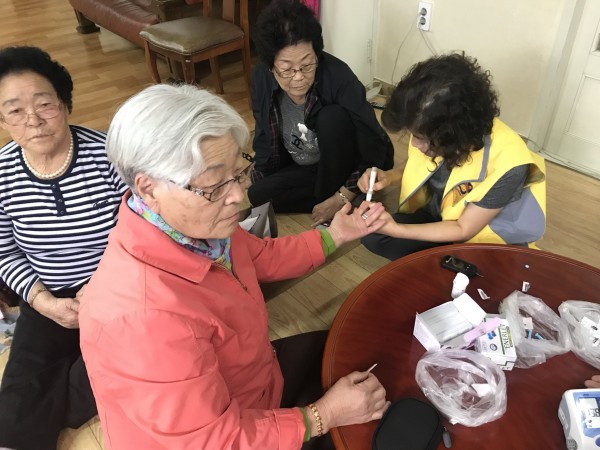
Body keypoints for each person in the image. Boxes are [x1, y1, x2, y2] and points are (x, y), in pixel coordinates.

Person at [78, 84, 390, 450]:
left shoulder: (198, 230)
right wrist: (324, 415)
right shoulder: (144, 320)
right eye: (214, 185)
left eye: (239, 173)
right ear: (148, 188)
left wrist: (335, 234)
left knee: (358, 349)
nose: (238, 196)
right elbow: (214, 441)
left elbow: (260, 256)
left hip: (255, 383)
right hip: (227, 433)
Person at [0, 46, 128, 449]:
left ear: (65, 104)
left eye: (44, 104)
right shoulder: (2, 174)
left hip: (116, 292)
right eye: (15, 110)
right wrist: (43, 301)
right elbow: (4, 252)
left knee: (114, 369)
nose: (33, 120)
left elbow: (143, 230)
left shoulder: (109, 155)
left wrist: (104, 286)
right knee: (19, 393)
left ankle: (64, 400)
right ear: (2, 119)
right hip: (48, 297)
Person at [358, 53, 547, 260]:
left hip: (478, 238)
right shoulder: (429, 126)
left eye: (420, 138)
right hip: (439, 215)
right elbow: (418, 166)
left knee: (465, 267)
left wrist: (397, 230)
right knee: (372, 234)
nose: (414, 144)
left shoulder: (510, 163)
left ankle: (445, 261)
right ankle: (438, 259)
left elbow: (463, 228)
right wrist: (390, 176)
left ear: (453, 135)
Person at [248, 0, 394, 227]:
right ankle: (329, 199)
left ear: (316, 53)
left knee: (331, 117)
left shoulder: (339, 77)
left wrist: (343, 194)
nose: (298, 77)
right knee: (257, 194)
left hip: (344, 160)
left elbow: (373, 144)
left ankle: (343, 197)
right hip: (307, 166)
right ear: (271, 66)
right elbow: (264, 134)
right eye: (286, 69)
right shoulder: (262, 77)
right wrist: (261, 175)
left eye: (307, 65)